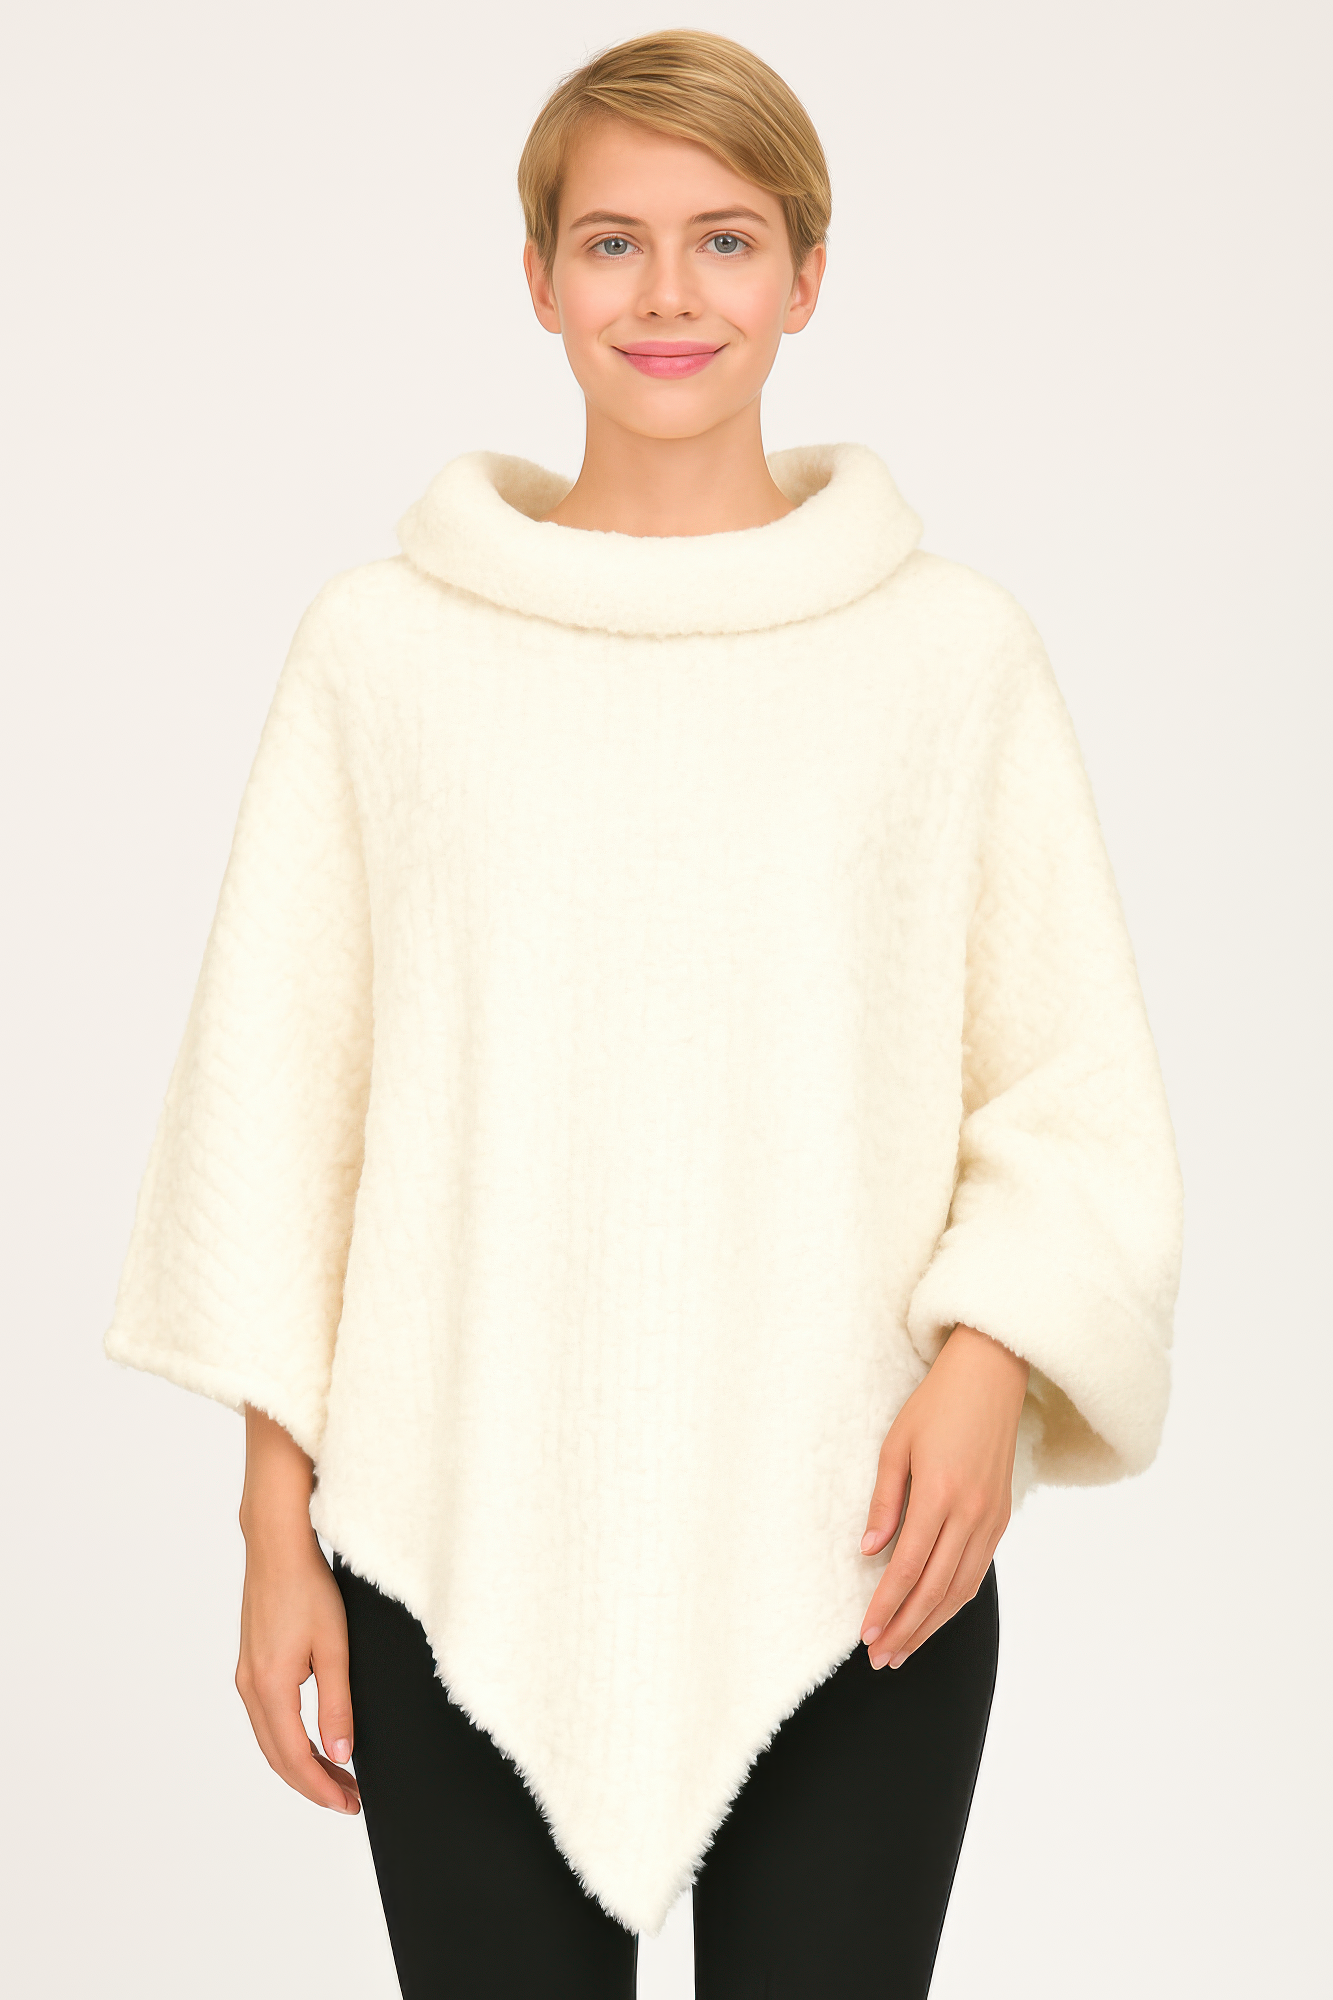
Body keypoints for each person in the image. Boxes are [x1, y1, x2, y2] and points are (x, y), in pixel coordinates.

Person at [105, 29, 1183, 1999]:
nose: (669, 293)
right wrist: (274, 1529)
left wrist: (989, 1357)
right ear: (537, 278)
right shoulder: (385, 652)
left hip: (860, 1555)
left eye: (726, 238)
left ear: (809, 274)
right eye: (612, 241)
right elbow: (284, 1108)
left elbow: (1068, 1080)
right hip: (453, 1537)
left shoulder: (945, 658)